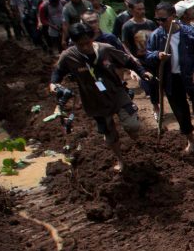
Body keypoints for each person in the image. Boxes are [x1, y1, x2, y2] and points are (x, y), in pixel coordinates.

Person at [50, 22, 154, 172]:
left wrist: (142, 72)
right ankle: (120, 160)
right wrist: (54, 84)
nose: (85, 47)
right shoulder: (68, 56)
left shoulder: (105, 49)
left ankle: (142, 148)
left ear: (92, 39)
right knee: (109, 134)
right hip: (94, 100)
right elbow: (57, 73)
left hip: (116, 93)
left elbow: (128, 61)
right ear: (74, 43)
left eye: (88, 43)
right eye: (81, 45)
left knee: (132, 126)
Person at [144, 2, 194, 153]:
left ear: (173, 17)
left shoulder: (189, 32)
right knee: (181, 112)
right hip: (172, 79)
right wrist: (157, 55)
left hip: (192, 76)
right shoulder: (157, 36)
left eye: (163, 19)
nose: (160, 23)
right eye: (157, 19)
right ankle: (190, 140)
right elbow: (148, 55)